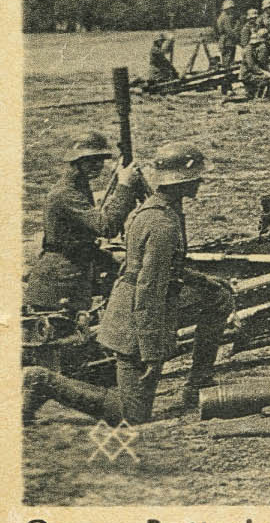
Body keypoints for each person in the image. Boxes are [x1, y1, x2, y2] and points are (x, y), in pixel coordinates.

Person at [23, 142, 231, 424]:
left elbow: (166, 270)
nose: (200, 182)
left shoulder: (160, 210)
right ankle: (41, 380)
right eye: (196, 177)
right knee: (132, 415)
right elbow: (148, 291)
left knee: (218, 297)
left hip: (139, 313)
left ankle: (198, 382)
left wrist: (206, 282)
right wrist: (152, 351)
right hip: (134, 324)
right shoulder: (162, 224)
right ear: (181, 181)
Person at [24, 132, 143, 313]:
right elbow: (106, 227)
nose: (97, 165)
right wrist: (124, 186)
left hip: (74, 268)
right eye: (90, 160)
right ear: (76, 161)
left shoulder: (79, 185)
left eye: (100, 160)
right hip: (60, 281)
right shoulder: (65, 193)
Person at [240, 26, 270, 99]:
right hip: (247, 75)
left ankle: (258, 94)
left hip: (250, 73)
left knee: (266, 75)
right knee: (269, 77)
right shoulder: (249, 50)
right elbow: (252, 65)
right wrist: (263, 72)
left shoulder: (252, 49)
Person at [214, 0, 240, 93]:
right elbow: (229, 31)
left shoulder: (223, 17)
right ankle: (227, 88)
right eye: (230, 8)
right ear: (226, 9)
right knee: (228, 66)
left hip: (226, 42)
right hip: (227, 43)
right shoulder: (225, 18)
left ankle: (226, 88)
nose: (232, 10)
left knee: (227, 65)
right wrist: (238, 38)